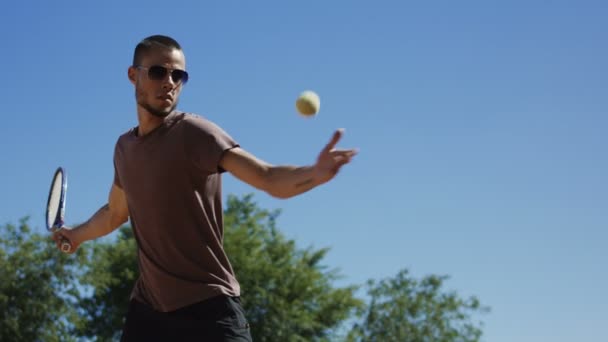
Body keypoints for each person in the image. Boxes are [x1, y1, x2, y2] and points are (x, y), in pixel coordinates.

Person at [52, 34, 357, 341]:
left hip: (209, 309)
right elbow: (115, 213)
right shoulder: (124, 149)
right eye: (158, 72)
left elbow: (267, 178)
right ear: (133, 75)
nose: (169, 82)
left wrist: (315, 174)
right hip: (149, 314)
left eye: (178, 75)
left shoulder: (194, 133)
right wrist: (76, 236)